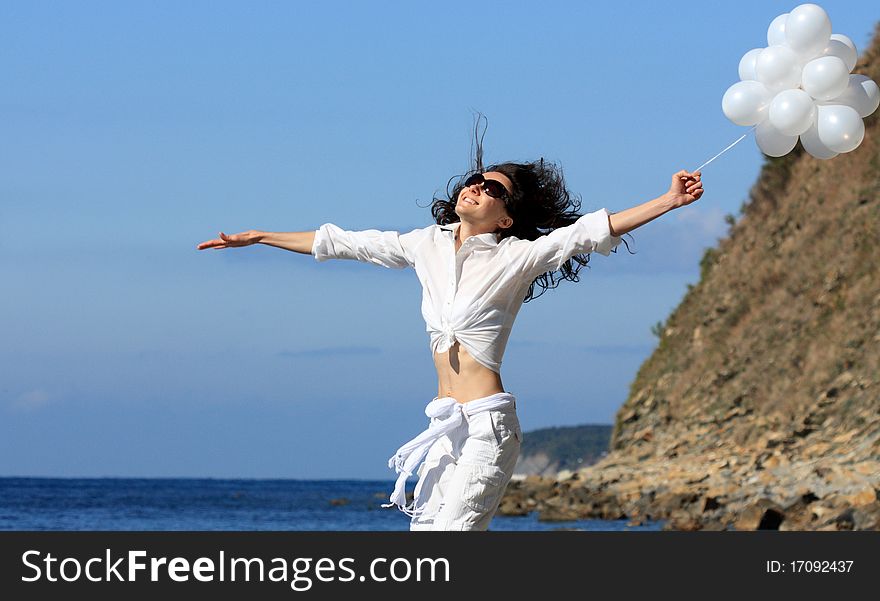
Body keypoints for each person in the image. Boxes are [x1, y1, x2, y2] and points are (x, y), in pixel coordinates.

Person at [196, 125, 703, 531]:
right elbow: (344, 242)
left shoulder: (517, 258)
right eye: (476, 180)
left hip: (487, 428)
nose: (476, 187)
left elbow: (588, 232)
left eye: (493, 189)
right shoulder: (426, 245)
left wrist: (668, 200)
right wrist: (260, 237)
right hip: (445, 426)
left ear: (507, 218)